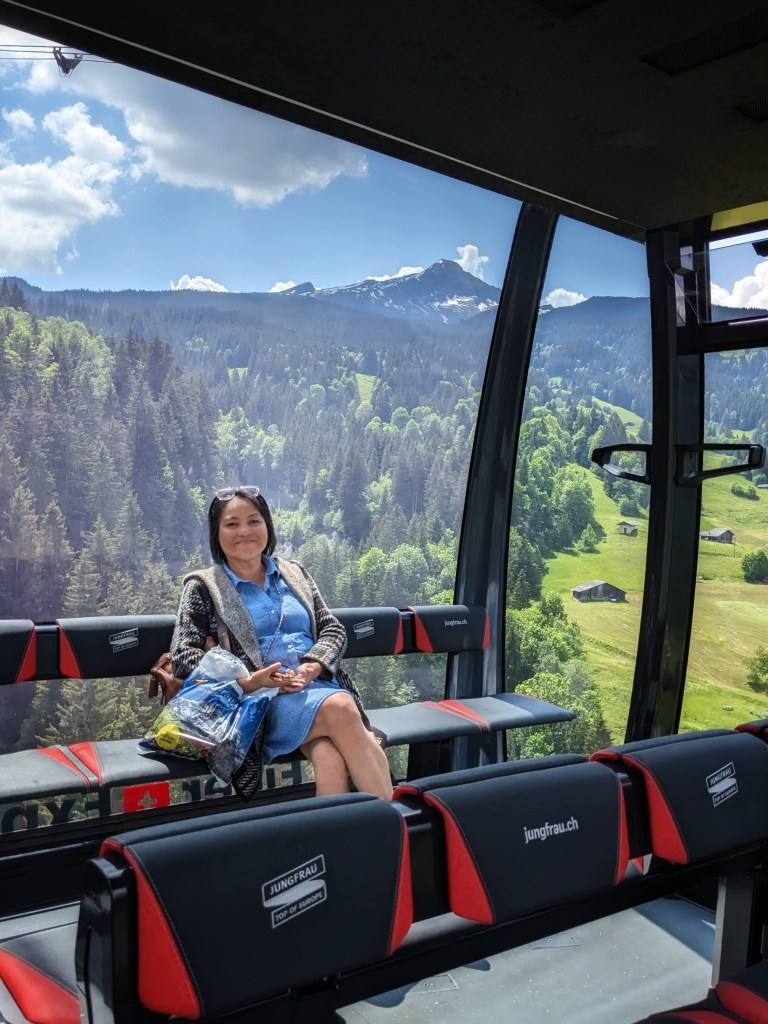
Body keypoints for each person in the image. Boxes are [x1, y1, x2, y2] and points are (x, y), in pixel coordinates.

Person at [168, 485, 393, 800]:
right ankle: (394, 822)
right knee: (343, 708)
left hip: (317, 688)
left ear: (267, 526)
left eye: (254, 521)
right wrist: (249, 680)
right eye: (232, 524)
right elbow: (183, 655)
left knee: (329, 757)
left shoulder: (294, 573)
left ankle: (340, 833)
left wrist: (312, 667)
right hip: (261, 705)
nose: (244, 531)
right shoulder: (204, 587)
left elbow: (332, 629)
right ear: (216, 534)